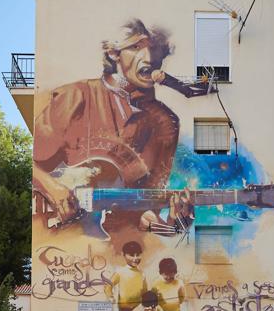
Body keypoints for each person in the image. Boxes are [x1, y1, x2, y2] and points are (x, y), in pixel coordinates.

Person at [33, 18, 211, 232]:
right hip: (57, 239)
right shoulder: (76, 97)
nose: (149, 57)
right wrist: (52, 188)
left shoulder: (166, 123)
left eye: (153, 48)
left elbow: (145, 210)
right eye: (136, 47)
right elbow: (30, 164)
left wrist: (175, 224)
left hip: (107, 249)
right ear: (113, 53)